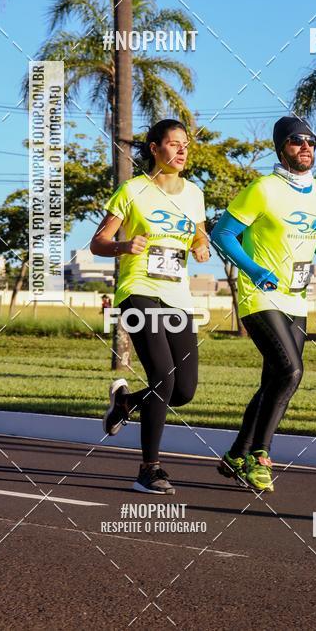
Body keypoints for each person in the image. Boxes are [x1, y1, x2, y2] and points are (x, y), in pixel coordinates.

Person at [211, 116, 316, 493]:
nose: (305, 147)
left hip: (296, 296)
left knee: (274, 381)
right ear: (281, 148)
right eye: (296, 141)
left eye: (311, 141)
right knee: (291, 371)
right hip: (259, 295)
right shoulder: (263, 189)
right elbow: (222, 233)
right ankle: (260, 455)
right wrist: (254, 269)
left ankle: (235, 455)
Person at [90, 119, 209, 494]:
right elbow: (98, 242)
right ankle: (149, 468)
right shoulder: (133, 190)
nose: (181, 150)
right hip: (138, 288)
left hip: (177, 294)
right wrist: (124, 246)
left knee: (185, 390)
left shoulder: (194, 194)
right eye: (172, 144)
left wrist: (199, 245)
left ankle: (125, 403)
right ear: (154, 149)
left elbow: (199, 233)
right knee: (163, 374)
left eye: (185, 144)